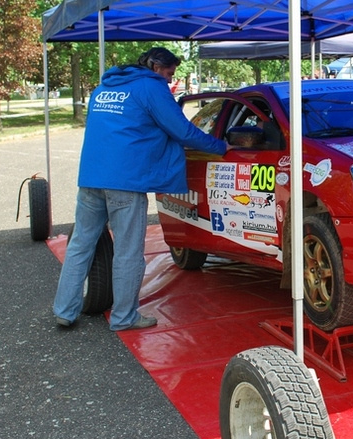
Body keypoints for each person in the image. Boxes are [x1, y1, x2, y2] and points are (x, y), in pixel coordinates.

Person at [53, 47, 229, 331]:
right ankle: (124, 317)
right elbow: (182, 131)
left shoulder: (104, 87)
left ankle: (64, 310)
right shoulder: (150, 87)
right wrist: (220, 147)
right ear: (158, 68)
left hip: (91, 177)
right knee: (128, 251)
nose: (170, 81)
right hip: (126, 181)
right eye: (170, 74)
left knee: (80, 246)